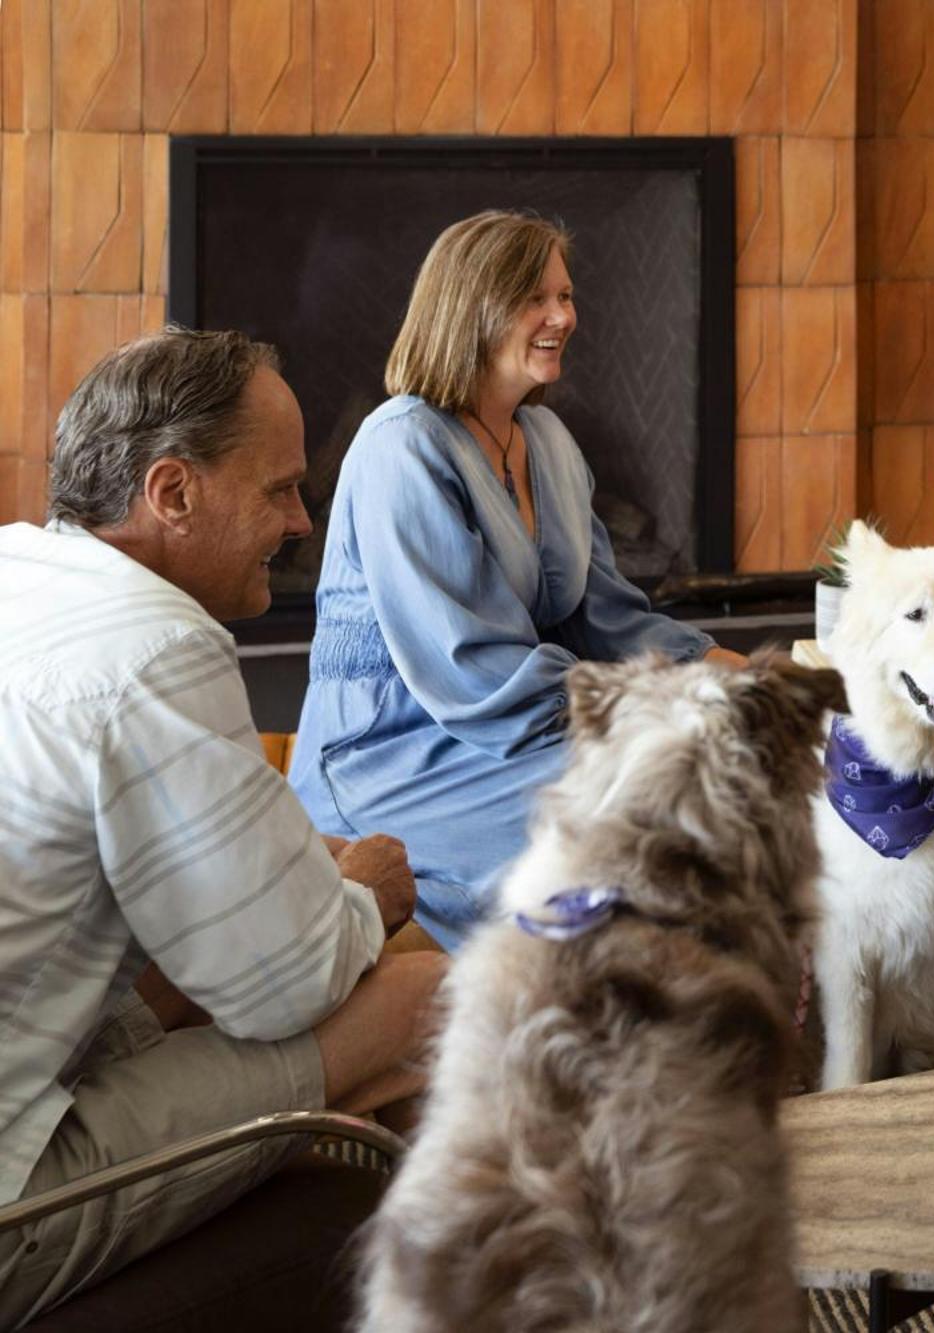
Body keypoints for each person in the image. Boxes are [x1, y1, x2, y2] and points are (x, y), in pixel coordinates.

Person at [0, 327, 445, 1326]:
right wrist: (365, 897)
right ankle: (503, 1285)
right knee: (423, 995)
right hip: (8, 1192)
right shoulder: (158, 645)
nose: (300, 522)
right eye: (281, 489)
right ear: (172, 492)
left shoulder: (18, 573)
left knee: (295, 915)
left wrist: (319, 886)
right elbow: (280, 982)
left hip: (24, 1042)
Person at [289, 210, 742, 952]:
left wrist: (749, 679)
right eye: (538, 298)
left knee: (715, 752)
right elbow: (473, 672)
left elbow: (611, 620)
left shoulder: (550, 443)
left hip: (516, 726)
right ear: (473, 304)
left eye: (566, 296)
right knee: (648, 782)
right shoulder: (399, 445)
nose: (564, 316)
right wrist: (660, 707)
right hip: (391, 754)